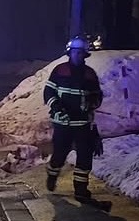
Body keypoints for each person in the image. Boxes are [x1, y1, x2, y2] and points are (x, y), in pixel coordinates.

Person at [43, 35, 106, 207]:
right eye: (74, 52)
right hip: (62, 123)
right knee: (59, 155)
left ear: (85, 54)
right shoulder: (60, 71)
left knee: (85, 157)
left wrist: (92, 102)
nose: (77, 55)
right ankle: (52, 174)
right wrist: (56, 106)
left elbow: (97, 96)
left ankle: (81, 190)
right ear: (69, 53)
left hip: (83, 124)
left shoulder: (90, 74)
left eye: (80, 52)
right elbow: (48, 92)